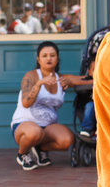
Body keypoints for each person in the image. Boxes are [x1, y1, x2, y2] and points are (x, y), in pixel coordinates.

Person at [10, 41, 91, 170]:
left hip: (48, 126)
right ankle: (23, 154)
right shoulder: (31, 76)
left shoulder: (62, 79)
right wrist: (39, 84)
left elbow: (85, 79)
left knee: (67, 140)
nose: (49, 58)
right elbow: (26, 103)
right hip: (25, 124)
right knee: (35, 133)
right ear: (38, 59)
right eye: (44, 55)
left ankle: (39, 148)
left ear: (57, 58)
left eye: (52, 55)